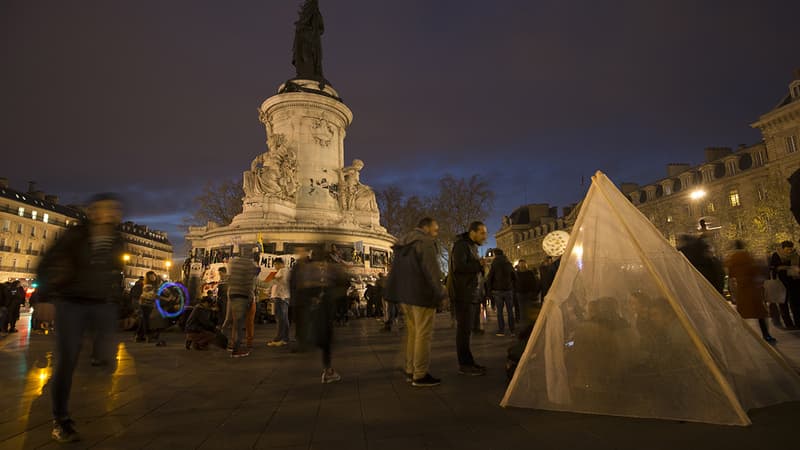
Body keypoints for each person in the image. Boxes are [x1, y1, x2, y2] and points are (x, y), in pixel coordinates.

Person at [36, 193, 126, 443]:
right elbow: (47, 262)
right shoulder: (74, 236)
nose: (111, 213)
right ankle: (61, 419)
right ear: (93, 212)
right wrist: (43, 297)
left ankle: (99, 357)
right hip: (72, 301)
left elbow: (116, 271)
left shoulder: (118, 239)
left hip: (102, 302)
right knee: (67, 361)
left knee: (107, 353)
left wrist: (119, 302)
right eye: (106, 208)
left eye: (114, 209)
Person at [386, 217, 448, 387]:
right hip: (422, 295)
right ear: (426, 228)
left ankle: (410, 369)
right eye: (435, 230)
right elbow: (432, 271)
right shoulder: (425, 242)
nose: (436, 234)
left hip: (405, 296)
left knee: (413, 333)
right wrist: (441, 293)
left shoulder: (403, 244)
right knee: (423, 334)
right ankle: (420, 374)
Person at [291, 246, 346, 383]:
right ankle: (327, 370)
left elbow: (298, 288)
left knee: (319, 338)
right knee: (325, 340)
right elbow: (341, 284)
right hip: (323, 311)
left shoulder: (306, 270)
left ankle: (324, 367)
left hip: (309, 311)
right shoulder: (327, 270)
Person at [448, 221, 489, 376]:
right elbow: (459, 267)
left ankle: (469, 361)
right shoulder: (461, 246)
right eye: (482, 233)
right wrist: (479, 265)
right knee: (463, 331)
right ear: (473, 232)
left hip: (470, 294)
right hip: (464, 295)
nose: (485, 236)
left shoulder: (470, 246)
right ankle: (464, 364)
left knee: (466, 331)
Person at [726, 240, 775, 343]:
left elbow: (731, 275)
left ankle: (739, 337)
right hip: (752, 288)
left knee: (742, 312)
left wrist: (733, 291)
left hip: (742, 289)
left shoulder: (732, 259)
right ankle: (766, 334)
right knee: (760, 313)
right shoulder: (748, 256)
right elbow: (756, 270)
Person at [227, 253, 260, 357]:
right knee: (245, 322)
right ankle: (237, 348)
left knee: (237, 322)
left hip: (234, 295)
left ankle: (234, 344)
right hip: (244, 296)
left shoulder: (234, 265)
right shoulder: (248, 265)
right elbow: (252, 281)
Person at [769, 241, 799, 328]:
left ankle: (798, 322)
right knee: (783, 304)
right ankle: (788, 324)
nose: (789, 251)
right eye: (787, 249)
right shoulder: (776, 255)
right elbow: (773, 267)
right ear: (782, 248)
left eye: (791, 249)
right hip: (781, 282)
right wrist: (786, 267)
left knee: (795, 303)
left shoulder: (795, 255)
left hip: (794, 282)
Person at [487, 249, 516, 336]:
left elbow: (490, 278)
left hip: (497, 290)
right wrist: (512, 285)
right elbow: (514, 276)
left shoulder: (494, 264)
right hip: (508, 289)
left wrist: (489, 290)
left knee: (499, 312)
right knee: (510, 311)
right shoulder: (508, 264)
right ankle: (512, 330)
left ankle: (501, 330)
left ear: (495, 255)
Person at [267, 259, 291, 347]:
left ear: (280, 264)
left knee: (281, 319)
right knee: (284, 318)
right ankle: (285, 338)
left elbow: (281, 281)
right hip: (283, 297)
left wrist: (275, 279)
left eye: (275, 265)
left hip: (281, 298)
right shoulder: (286, 271)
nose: (275, 267)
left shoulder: (283, 270)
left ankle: (279, 338)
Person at [514, 260, 541, 328]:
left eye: (523, 265)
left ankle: (526, 326)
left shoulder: (528, 273)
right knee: (524, 311)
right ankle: (526, 326)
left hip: (527, 294)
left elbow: (534, 284)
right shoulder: (525, 273)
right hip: (522, 294)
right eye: (521, 265)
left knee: (526, 310)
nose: (522, 266)